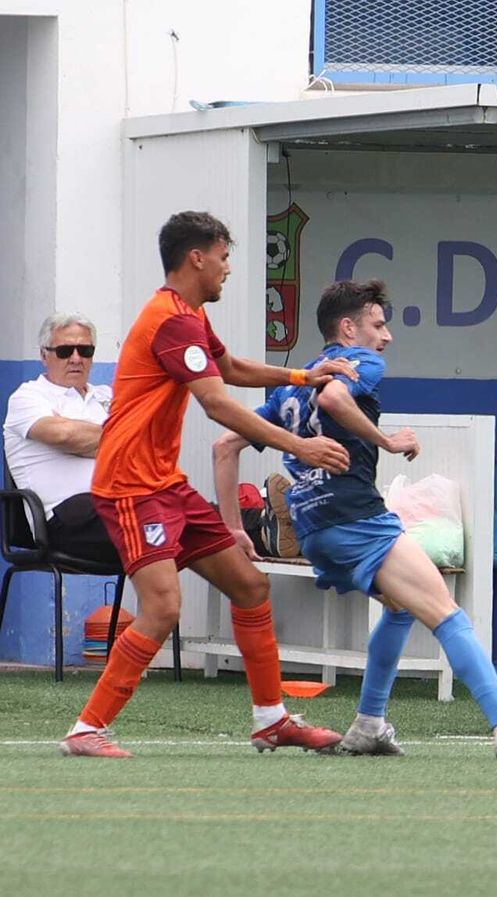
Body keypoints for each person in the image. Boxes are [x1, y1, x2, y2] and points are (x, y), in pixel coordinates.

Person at [215, 280, 497, 761]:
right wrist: (385, 441)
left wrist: (234, 526)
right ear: (348, 328)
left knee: (402, 608)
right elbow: (335, 402)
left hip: (313, 529)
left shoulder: (289, 386)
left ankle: (368, 724)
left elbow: (225, 446)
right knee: (448, 614)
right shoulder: (357, 363)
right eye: (378, 325)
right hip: (356, 519)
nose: (386, 337)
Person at [59, 211, 350, 759]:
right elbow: (217, 403)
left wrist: (302, 376)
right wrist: (301, 446)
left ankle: (271, 721)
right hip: (129, 486)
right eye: (223, 256)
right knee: (164, 608)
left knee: (249, 585)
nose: (228, 268)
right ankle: (85, 730)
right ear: (197, 257)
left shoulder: (186, 317)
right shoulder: (171, 320)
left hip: (165, 485)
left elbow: (231, 368)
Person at [3, 314, 119, 565]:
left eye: (85, 350)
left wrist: (87, 441)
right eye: (65, 351)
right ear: (45, 355)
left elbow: (144, 443)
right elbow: (63, 435)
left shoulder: (108, 397)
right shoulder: (29, 397)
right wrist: (119, 440)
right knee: (157, 524)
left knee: (188, 519)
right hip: (65, 519)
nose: (76, 359)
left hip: (117, 504)